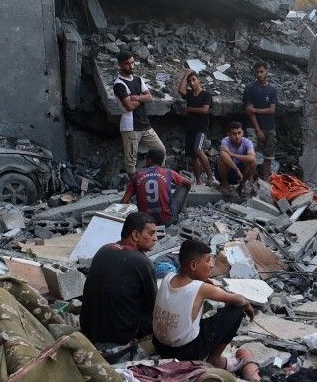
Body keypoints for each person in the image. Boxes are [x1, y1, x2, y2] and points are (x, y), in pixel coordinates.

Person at [154, 239, 258, 369]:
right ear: (193, 265)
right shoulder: (200, 288)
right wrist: (247, 304)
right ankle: (214, 359)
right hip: (186, 352)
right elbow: (237, 299)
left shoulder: (168, 277)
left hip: (159, 345)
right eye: (208, 260)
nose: (211, 265)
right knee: (236, 311)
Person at [78, 212, 159, 346]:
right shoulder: (142, 262)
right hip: (119, 335)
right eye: (151, 234)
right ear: (135, 235)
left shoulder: (103, 249)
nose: (155, 238)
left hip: (89, 329)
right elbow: (153, 304)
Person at [113, 52, 166, 177]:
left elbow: (150, 97)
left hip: (145, 124)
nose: (131, 66)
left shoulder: (138, 79)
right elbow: (129, 106)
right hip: (130, 126)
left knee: (160, 150)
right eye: (127, 64)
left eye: (132, 62)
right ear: (120, 65)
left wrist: (135, 97)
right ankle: (133, 187)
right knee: (131, 161)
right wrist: (142, 98)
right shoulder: (119, 84)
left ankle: (156, 177)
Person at [123, 149, 193, 225]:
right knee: (184, 186)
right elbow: (188, 183)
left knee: (133, 199)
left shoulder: (137, 176)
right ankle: (179, 213)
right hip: (167, 220)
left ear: (149, 160)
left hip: (145, 223)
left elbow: (123, 201)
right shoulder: (168, 172)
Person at [178, 70, 216, 185]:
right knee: (194, 156)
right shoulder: (189, 94)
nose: (192, 83)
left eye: (194, 80)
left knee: (198, 150)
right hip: (190, 127)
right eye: (190, 81)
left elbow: (205, 110)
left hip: (201, 127)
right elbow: (180, 90)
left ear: (198, 80)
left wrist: (190, 109)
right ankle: (199, 181)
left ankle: (210, 177)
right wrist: (185, 74)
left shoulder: (206, 94)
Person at [242, 63, 278, 177]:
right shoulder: (250, 89)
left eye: (261, 71)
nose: (259, 74)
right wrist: (258, 130)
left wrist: (255, 110)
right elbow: (249, 111)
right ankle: (250, 181)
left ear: (266, 71)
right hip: (253, 126)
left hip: (269, 126)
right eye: (257, 72)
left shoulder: (272, 90)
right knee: (251, 154)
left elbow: (272, 110)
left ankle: (266, 180)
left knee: (269, 155)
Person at [216, 121, 257, 196]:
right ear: (229, 135)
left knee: (253, 162)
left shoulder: (247, 142)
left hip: (241, 173)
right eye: (234, 134)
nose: (237, 136)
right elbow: (223, 154)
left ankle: (242, 184)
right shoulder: (225, 141)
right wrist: (236, 169)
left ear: (243, 133)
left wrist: (232, 154)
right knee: (222, 159)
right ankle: (225, 184)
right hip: (228, 171)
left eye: (239, 133)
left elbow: (252, 158)